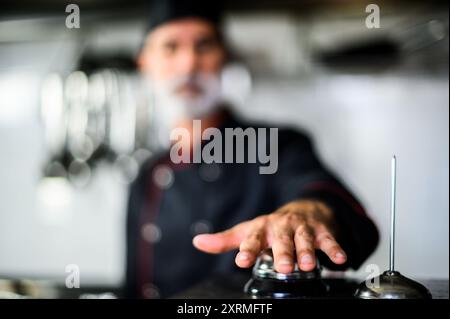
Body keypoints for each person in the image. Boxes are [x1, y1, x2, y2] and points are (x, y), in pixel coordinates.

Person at [125, 0, 378, 298]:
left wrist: (305, 213)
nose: (189, 64)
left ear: (225, 57)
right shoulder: (148, 172)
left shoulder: (275, 145)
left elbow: (321, 194)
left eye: (204, 45)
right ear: (144, 61)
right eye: (170, 47)